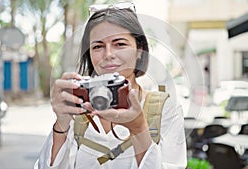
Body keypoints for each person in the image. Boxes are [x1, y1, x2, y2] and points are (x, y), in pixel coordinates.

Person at [34, 2, 187, 169]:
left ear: (139, 50)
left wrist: (139, 129)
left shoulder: (165, 109)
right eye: (98, 46)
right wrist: (61, 123)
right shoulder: (78, 107)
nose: (108, 55)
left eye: (120, 44)